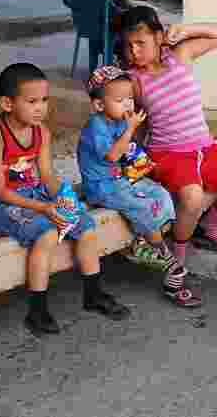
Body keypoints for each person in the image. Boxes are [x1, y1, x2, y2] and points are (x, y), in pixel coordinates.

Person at [0, 63, 131, 334]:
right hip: (1, 204)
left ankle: (93, 295)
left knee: (86, 227)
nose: (40, 108)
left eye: (44, 100)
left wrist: (66, 199)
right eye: (32, 101)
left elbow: (47, 176)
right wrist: (45, 208)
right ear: (7, 103)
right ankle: (38, 311)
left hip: (35, 194)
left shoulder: (40, 131)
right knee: (46, 235)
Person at [119, 6, 217, 305]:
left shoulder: (179, 56)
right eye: (128, 45)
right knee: (193, 198)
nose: (134, 51)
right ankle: (176, 270)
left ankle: (210, 227)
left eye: (140, 43)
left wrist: (184, 29)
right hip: (168, 153)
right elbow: (118, 112)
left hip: (204, 146)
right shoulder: (133, 80)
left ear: (159, 37)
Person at [77, 65, 199, 308]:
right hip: (101, 186)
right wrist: (132, 128)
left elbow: (128, 152)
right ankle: (166, 258)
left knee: (161, 194)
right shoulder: (96, 128)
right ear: (99, 105)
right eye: (120, 100)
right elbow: (112, 155)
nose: (128, 104)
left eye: (130, 98)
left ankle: (143, 243)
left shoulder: (120, 121)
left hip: (121, 178)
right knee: (142, 207)